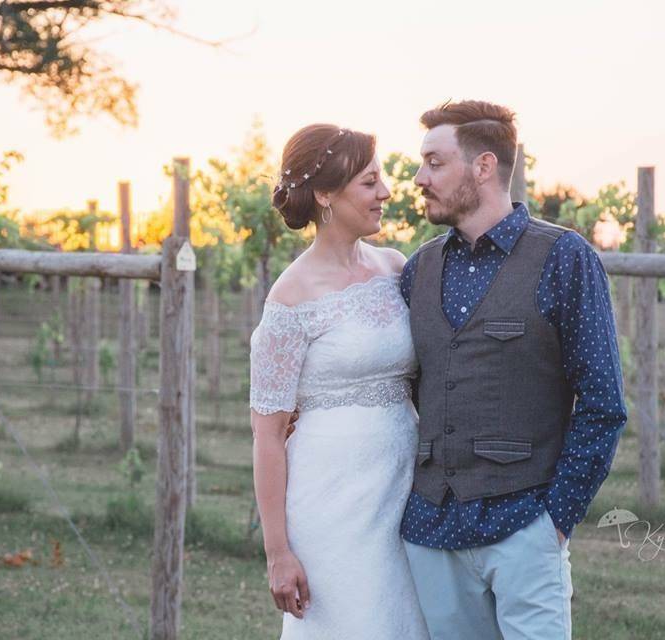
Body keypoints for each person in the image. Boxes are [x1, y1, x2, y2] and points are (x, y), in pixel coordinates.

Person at [399, 99, 628, 639]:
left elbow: (602, 403)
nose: (418, 178)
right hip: (432, 530)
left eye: (434, 162)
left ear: (483, 167)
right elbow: (403, 387)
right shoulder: (418, 271)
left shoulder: (564, 258)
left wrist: (555, 521)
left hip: (526, 526)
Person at [249, 123, 430, 639]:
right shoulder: (291, 298)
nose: (386, 193)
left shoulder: (395, 268)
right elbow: (267, 434)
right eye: (370, 182)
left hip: (402, 486)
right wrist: (278, 552)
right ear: (327, 194)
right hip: (331, 498)